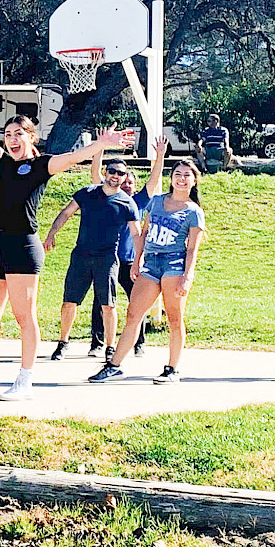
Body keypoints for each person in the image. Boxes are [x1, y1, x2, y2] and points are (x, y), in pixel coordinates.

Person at [0, 69, 132, 401]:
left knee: (24, 317)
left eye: (19, 133)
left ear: (31, 137)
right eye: (8, 134)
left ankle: (24, 381)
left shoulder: (41, 165)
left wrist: (101, 145)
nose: (12, 139)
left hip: (24, 246)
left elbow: (73, 157)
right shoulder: (3, 162)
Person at [88, 159, 206, 384]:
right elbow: (143, 233)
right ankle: (114, 366)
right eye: (178, 174)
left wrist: (187, 276)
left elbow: (192, 249)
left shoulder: (194, 212)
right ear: (171, 178)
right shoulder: (157, 201)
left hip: (174, 265)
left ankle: (172, 369)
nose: (181, 179)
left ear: (194, 181)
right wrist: (136, 261)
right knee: (133, 314)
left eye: (186, 175)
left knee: (174, 318)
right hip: (150, 263)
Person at [43, 157, 143, 365]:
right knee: (69, 301)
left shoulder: (127, 203)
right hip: (81, 255)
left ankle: (110, 347)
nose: (116, 176)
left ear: (124, 177)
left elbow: (136, 234)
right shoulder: (87, 193)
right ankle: (63, 342)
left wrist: (138, 260)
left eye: (121, 173)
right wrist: (52, 233)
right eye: (112, 171)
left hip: (107, 258)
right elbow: (66, 213)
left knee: (108, 304)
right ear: (105, 172)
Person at [99, 136, 169, 358]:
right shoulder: (109, 198)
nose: (126, 184)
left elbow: (154, 180)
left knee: (137, 304)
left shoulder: (138, 201)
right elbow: (96, 176)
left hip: (130, 261)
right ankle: (97, 342)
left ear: (135, 186)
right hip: (108, 258)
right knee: (102, 302)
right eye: (124, 181)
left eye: (130, 182)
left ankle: (140, 343)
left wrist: (160, 156)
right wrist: (100, 148)